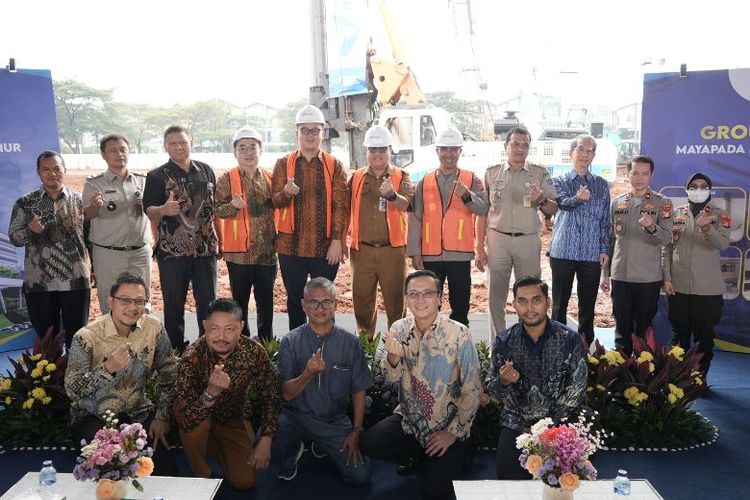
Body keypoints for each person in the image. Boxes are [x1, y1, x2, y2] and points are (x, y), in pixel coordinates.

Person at [360, 270, 481, 500]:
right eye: (414, 294)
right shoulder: (398, 329)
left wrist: (452, 433)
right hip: (410, 421)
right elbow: (385, 380)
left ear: (439, 299)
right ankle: (420, 456)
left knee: (434, 493)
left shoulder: (459, 334)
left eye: (427, 293)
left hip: (447, 424)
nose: (420, 299)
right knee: (369, 443)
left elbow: (473, 390)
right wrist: (393, 359)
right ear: (406, 298)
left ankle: (459, 453)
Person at [65, 272, 178, 475]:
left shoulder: (153, 327)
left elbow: (170, 373)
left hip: (138, 412)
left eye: (139, 301)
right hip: (94, 417)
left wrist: (162, 417)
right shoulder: (87, 337)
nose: (133, 307)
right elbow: (73, 389)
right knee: (112, 471)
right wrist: (107, 369)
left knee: (163, 472)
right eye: (125, 300)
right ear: (110, 301)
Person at [173, 298, 280, 490]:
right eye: (214, 329)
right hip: (199, 418)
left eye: (229, 329)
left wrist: (267, 437)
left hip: (234, 418)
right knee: (196, 432)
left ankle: (214, 445)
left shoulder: (254, 352)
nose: (221, 336)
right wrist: (210, 393)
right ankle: (201, 471)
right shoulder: (191, 357)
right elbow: (185, 419)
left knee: (246, 481)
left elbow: (271, 393)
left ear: (240, 327)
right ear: (205, 326)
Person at [272, 277, 371, 486]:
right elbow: (286, 394)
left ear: (335, 304)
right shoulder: (290, 341)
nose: (320, 308)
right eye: (313, 302)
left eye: (327, 302)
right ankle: (293, 450)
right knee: (267, 440)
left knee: (360, 477)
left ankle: (321, 444)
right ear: (303, 305)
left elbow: (359, 390)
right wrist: (307, 373)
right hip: (295, 417)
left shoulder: (350, 342)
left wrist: (356, 431)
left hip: (333, 421)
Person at [487, 276, 587, 480]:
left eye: (536, 300)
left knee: (564, 481)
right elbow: (493, 392)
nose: (529, 307)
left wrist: (546, 428)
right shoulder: (504, 341)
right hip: (517, 425)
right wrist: (504, 381)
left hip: (560, 423)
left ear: (548, 303)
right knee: (509, 479)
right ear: (514, 304)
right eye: (522, 301)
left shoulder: (570, 339)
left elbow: (576, 390)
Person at [271, 105, 348, 330]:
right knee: (296, 302)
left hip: (324, 248)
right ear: (297, 133)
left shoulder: (334, 165)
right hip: (289, 248)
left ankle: (328, 350)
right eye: (305, 130)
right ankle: (297, 350)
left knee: (324, 303)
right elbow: (274, 201)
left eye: (315, 130)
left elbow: (341, 206)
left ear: (322, 133)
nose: (310, 135)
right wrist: (287, 193)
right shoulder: (283, 163)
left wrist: (337, 240)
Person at [142, 125, 219, 350]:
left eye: (183, 142)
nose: (178, 147)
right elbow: (149, 211)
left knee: (208, 305)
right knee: (174, 305)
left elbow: (213, 209)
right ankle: (175, 353)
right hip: (173, 253)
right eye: (173, 143)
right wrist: (163, 210)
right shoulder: (156, 176)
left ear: (191, 142)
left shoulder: (206, 170)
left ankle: (208, 350)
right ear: (165, 146)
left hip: (205, 251)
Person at [477, 127, 558, 338]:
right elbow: (483, 211)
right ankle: (499, 347)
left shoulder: (539, 173)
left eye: (525, 145)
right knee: (496, 297)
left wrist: (541, 199)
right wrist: (479, 247)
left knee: (531, 296)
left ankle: (530, 343)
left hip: (528, 240)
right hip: (497, 240)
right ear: (506, 146)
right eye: (515, 144)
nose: (520, 149)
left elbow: (553, 208)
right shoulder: (491, 172)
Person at [8, 150, 90, 348]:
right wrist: (29, 230)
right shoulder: (25, 203)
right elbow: (14, 238)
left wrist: (92, 268)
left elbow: (87, 238)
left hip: (76, 280)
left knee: (78, 338)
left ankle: (75, 376)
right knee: (46, 340)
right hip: (40, 283)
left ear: (64, 170)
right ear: (38, 172)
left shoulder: (78, 200)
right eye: (46, 169)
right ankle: (51, 378)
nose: (52, 173)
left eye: (56, 169)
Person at [408, 127, 488, 327]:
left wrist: (467, 195)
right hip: (430, 254)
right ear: (437, 151)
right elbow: (415, 217)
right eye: (444, 149)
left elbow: (484, 208)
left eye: (453, 149)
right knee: (427, 305)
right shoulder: (425, 181)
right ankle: (427, 347)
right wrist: (414, 251)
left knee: (460, 307)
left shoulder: (471, 179)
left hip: (459, 255)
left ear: (460, 151)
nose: (449, 154)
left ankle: (460, 350)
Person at [602, 156, 672, 355]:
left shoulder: (662, 203)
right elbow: (610, 241)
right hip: (621, 275)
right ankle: (621, 372)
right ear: (628, 173)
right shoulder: (617, 203)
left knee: (643, 328)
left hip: (647, 277)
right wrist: (605, 274)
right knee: (622, 327)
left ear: (651, 175)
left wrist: (652, 228)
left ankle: (642, 375)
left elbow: (667, 239)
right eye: (635, 173)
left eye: (644, 173)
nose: (639, 178)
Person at [348, 124, 412, 338]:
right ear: (366, 151)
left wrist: (392, 195)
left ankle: (398, 348)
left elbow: (408, 205)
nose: (377, 154)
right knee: (362, 302)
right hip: (361, 251)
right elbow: (343, 209)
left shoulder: (402, 175)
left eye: (382, 149)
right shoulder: (356, 177)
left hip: (392, 251)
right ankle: (367, 348)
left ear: (390, 151)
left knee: (396, 302)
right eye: (372, 150)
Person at [663, 173, 729, 376]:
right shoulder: (677, 214)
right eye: (694, 186)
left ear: (709, 190)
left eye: (703, 186)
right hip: (679, 285)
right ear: (687, 190)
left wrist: (708, 228)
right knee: (679, 335)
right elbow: (667, 248)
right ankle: (675, 378)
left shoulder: (720, 214)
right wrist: (667, 277)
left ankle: (700, 379)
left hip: (707, 289)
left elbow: (723, 244)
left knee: (704, 337)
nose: (698, 190)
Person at [215, 127, 277, 340]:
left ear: (261, 150)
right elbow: (218, 211)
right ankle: (242, 344)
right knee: (239, 303)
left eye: (253, 147)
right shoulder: (226, 178)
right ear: (235, 152)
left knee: (266, 302)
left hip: (267, 253)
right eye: (243, 148)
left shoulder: (270, 177)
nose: (248, 152)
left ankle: (266, 344)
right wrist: (232, 205)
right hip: (239, 255)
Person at [549, 135, 610, 344]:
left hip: (591, 254)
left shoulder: (602, 185)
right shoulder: (558, 180)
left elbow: (605, 221)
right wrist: (577, 198)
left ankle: (584, 348)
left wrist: (604, 249)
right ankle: (557, 345)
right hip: (563, 251)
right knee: (559, 305)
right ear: (571, 152)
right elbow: (563, 203)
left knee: (587, 306)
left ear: (594, 155)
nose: (585, 154)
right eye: (581, 149)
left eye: (590, 150)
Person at [83, 134, 152, 314]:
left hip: (140, 253)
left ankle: (143, 341)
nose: (119, 154)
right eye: (113, 151)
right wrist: (94, 206)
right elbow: (88, 214)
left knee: (142, 301)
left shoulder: (143, 180)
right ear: (103, 155)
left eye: (123, 150)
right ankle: (114, 342)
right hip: (108, 254)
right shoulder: (94, 184)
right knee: (110, 301)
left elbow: (153, 210)